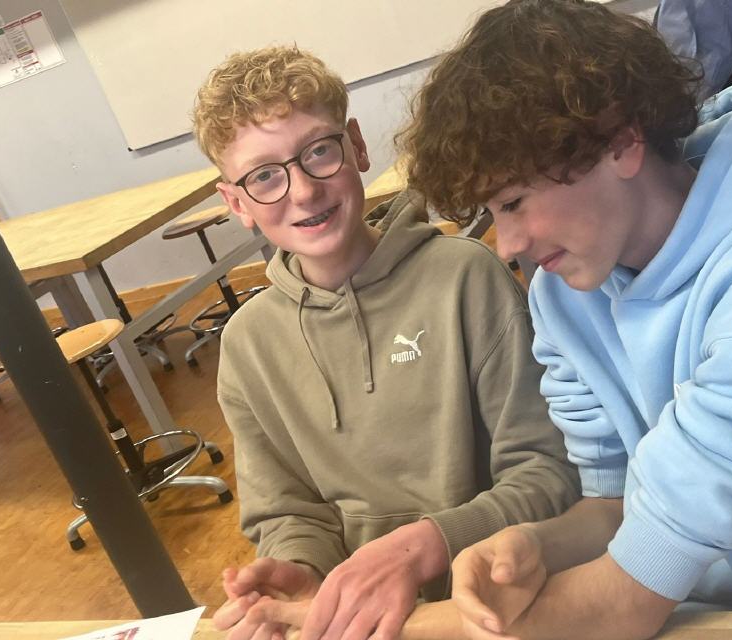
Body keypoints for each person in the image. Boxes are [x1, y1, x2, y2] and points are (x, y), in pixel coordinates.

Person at [242, 1, 732, 638]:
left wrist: (335, 622)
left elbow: (624, 603)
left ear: (621, 140)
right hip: (691, 601)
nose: (507, 245)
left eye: (514, 202)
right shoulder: (567, 285)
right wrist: (535, 543)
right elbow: (612, 502)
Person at [191, 45, 579, 640]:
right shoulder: (248, 344)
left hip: (496, 606)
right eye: (264, 176)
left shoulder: (465, 278)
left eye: (319, 152)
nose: (303, 191)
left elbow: (548, 472)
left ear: (356, 145)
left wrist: (425, 547)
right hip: (358, 620)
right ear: (236, 202)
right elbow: (290, 511)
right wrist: (300, 568)